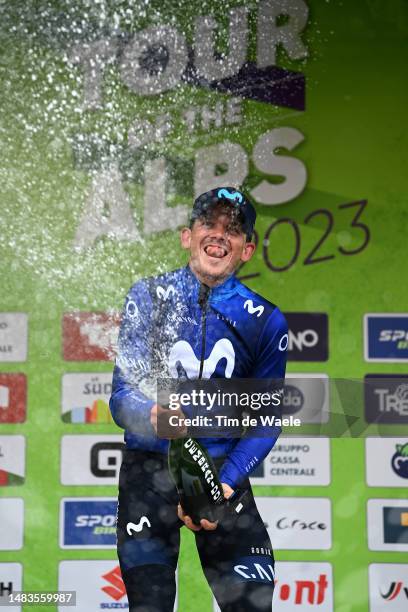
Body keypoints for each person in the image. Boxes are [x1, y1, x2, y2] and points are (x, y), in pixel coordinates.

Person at [109, 187, 288, 612]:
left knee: (253, 606)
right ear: (187, 235)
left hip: (223, 471)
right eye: (209, 223)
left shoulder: (265, 320)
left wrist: (223, 486)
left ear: (247, 249)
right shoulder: (147, 297)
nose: (220, 235)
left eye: (234, 229)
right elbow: (120, 398)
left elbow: (267, 420)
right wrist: (151, 415)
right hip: (149, 474)